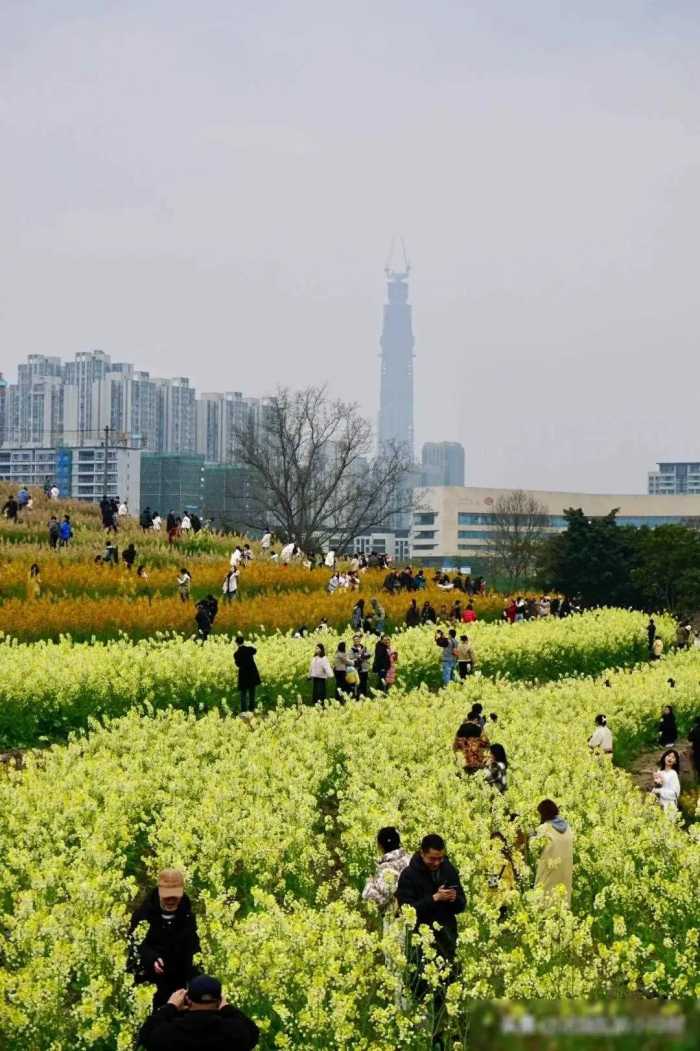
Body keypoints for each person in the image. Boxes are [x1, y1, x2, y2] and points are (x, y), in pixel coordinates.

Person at [396, 833, 466, 996]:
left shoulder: (448, 869)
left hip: (447, 938)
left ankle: (448, 1021)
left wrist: (454, 899)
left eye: (440, 858)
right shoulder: (408, 875)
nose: (437, 863)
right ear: (422, 853)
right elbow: (406, 911)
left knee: (451, 987)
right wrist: (434, 898)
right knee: (422, 991)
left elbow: (462, 905)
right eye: (432, 858)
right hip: (421, 942)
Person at [128, 869, 201, 1010]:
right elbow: (134, 944)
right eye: (167, 896)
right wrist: (151, 958)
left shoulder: (187, 915)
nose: (171, 900)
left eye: (175, 896)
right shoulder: (143, 914)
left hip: (178, 987)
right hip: (149, 986)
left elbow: (194, 949)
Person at [137, 974, 259, 1050]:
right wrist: (227, 1008)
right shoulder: (235, 1033)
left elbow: (145, 1035)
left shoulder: (169, 1033)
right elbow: (253, 1033)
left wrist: (171, 1007)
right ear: (219, 1001)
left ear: (187, 999)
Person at [532, 800, 574, 907]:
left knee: (545, 903)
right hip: (565, 874)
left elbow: (534, 848)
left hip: (548, 872)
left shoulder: (545, 828)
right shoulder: (568, 828)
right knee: (561, 904)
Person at [362, 826, 411, 911]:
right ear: (399, 842)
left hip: (398, 917)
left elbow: (377, 900)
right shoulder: (411, 859)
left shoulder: (385, 867)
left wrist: (370, 883)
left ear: (380, 846)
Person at [234, 635, 261, 714]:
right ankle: (252, 708)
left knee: (243, 693)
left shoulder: (236, 654)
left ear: (236, 643)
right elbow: (255, 650)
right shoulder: (249, 649)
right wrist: (248, 644)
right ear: (243, 641)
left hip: (243, 675)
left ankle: (244, 710)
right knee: (252, 692)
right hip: (252, 673)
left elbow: (237, 664)